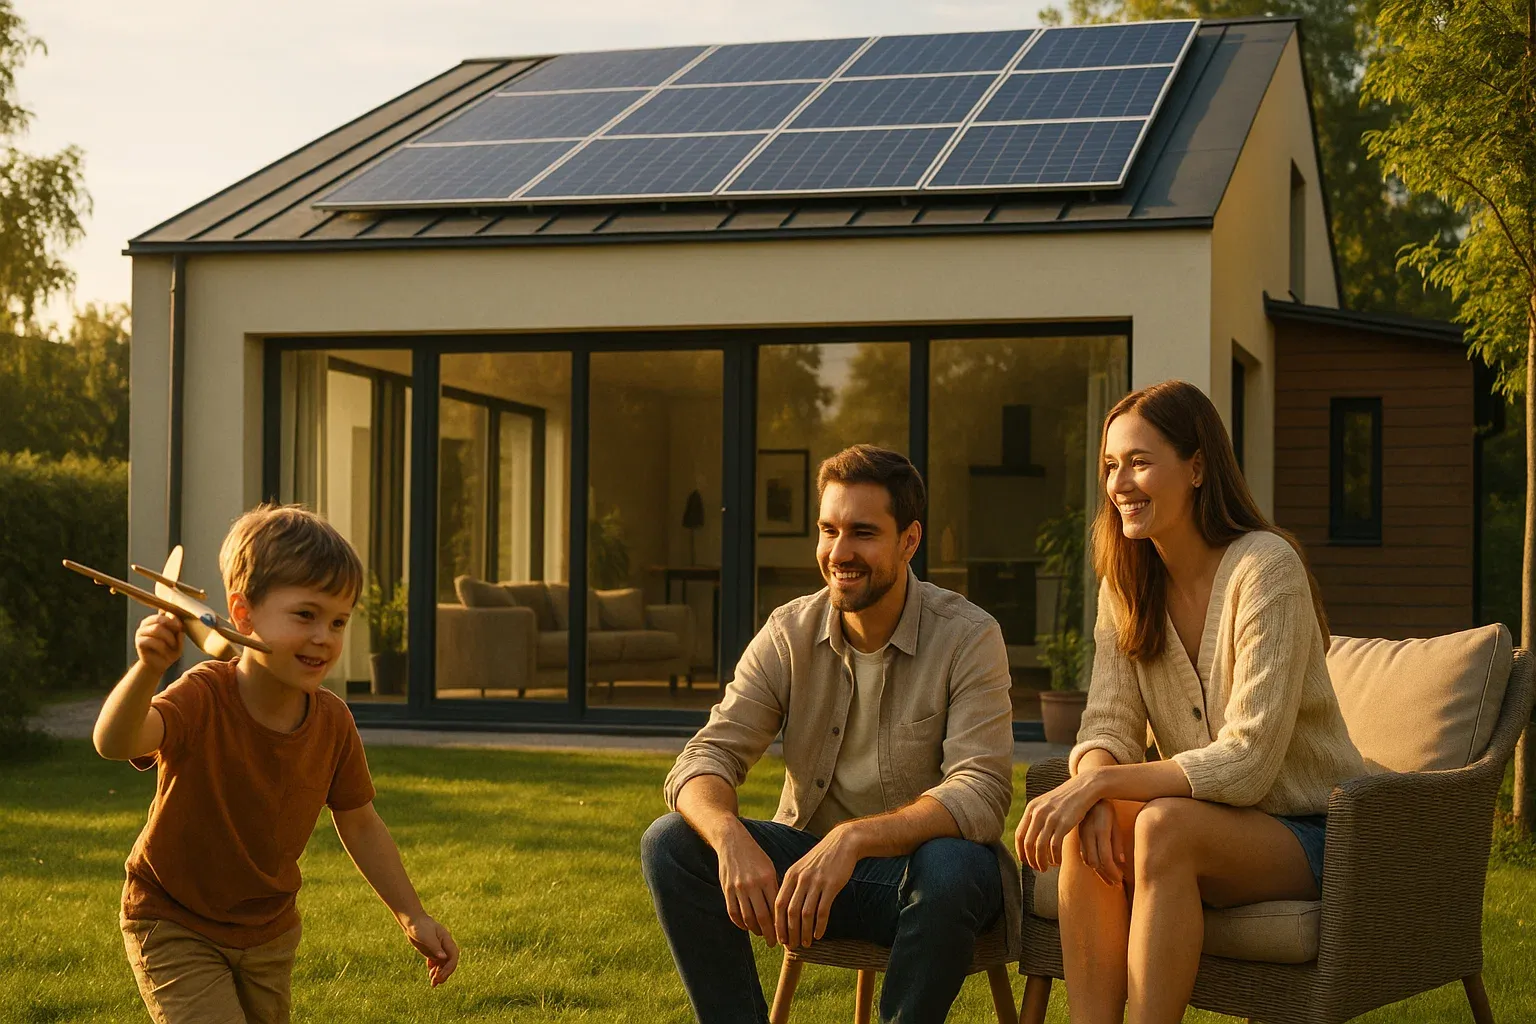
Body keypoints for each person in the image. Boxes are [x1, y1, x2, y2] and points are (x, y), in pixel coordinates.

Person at [1015, 380, 1364, 1024]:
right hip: (1204, 823)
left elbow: (1248, 761)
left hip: (1313, 832)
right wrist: (1094, 787)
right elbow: (1108, 724)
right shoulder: (1126, 583)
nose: (1120, 483)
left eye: (1139, 462)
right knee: (1096, 825)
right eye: (1110, 466)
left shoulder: (1266, 568)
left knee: (1159, 825)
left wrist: (1098, 786)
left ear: (1197, 466)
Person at [641, 445, 1018, 1024]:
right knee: (671, 841)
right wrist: (729, 837)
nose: (840, 553)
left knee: (953, 865)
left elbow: (980, 792)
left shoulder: (968, 637)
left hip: (926, 886)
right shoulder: (789, 632)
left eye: (863, 533)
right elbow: (705, 757)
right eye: (828, 530)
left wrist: (853, 839)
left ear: (909, 541)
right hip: (811, 879)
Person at [93, 504, 459, 1024]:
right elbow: (114, 741)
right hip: (174, 918)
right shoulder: (203, 695)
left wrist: (412, 915)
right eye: (306, 615)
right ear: (242, 614)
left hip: (269, 932)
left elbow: (360, 823)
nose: (324, 636)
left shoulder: (332, 721)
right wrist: (148, 669)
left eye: (338, 621)